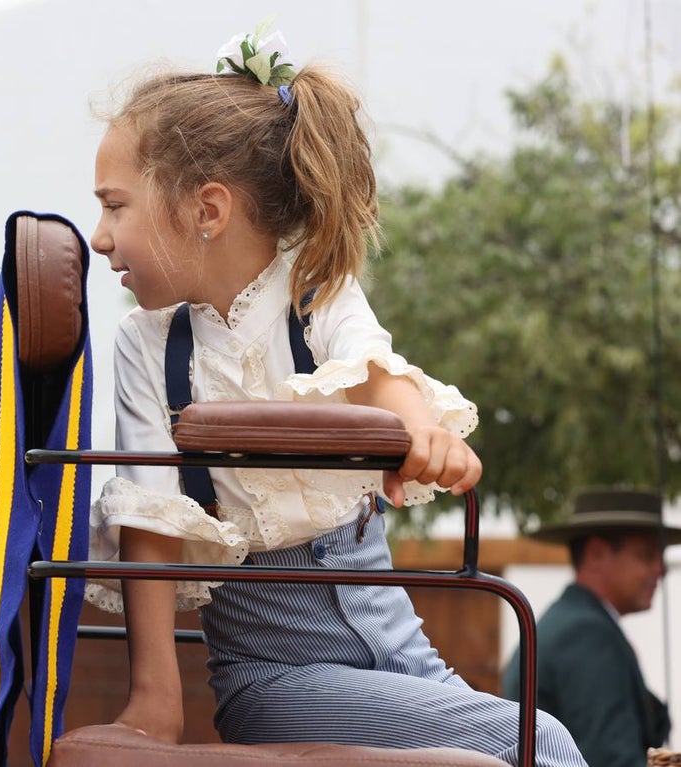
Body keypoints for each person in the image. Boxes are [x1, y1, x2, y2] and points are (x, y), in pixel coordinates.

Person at [81, 21, 587, 767]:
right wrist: (156, 698)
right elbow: (149, 517)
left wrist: (424, 434)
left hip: (389, 631)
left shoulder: (318, 295)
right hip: (273, 669)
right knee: (538, 741)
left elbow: (376, 371)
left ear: (207, 210)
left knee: (520, 746)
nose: (99, 235)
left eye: (115, 205)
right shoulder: (147, 344)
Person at [502, 489, 677, 766]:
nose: (661, 570)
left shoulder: (571, 622)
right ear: (596, 553)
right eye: (646, 555)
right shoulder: (587, 634)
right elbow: (612, 759)